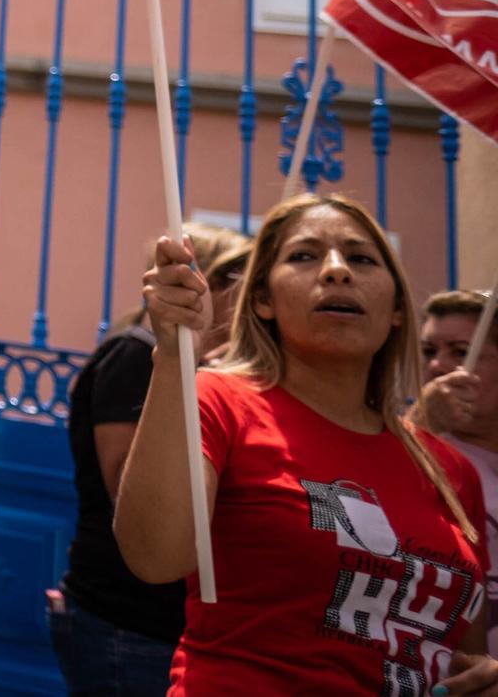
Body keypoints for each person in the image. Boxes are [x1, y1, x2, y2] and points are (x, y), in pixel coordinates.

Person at [116, 192, 498, 694]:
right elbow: (154, 556)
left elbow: (457, 651)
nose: (337, 270)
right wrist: (173, 355)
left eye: (360, 258)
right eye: (304, 256)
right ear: (263, 300)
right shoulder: (218, 400)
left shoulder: (451, 470)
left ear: (398, 309)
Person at [49, 224, 248, 697]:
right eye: (243, 278)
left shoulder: (217, 375)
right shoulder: (134, 358)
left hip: (176, 622)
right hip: (126, 619)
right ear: (208, 282)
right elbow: (127, 490)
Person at [416, 290, 498, 655]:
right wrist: (422, 422)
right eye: (429, 352)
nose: (437, 366)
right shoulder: (416, 443)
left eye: (461, 352)